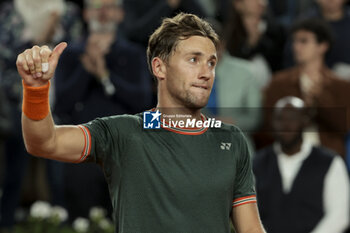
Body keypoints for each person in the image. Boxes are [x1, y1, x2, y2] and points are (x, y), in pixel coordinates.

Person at [16, 13, 266, 233]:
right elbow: (44, 142)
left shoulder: (231, 140)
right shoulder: (124, 131)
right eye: (193, 59)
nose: (206, 72)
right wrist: (36, 90)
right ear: (159, 67)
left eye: (211, 62)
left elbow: (251, 228)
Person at [53, 0, 152, 220]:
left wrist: (104, 75)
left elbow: (143, 102)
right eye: (97, 6)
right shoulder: (69, 54)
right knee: (80, 221)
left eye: (110, 6)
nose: (104, 12)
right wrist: (87, 69)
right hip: (80, 155)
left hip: (125, 155)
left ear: (121, 14)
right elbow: (61, 105)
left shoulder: (136, 54)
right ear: (86, 14)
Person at [0, 0, 82, 230]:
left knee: (59, 174)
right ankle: (5, 223)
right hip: (20, 102)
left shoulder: (67, 12)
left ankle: (64, 224)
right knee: (15, 172)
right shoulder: (10, 11)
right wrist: (39, 39)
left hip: (61, 104)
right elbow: (4, 57)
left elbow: (76, 55)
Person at [254, 96, 350, 233]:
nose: (286, 125)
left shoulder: (330, 162)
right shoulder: (256, 163)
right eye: (280, 119)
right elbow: (247, 214)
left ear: (305, 122)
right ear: (272, 123)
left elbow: (340, 215)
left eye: (292, 118)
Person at [263, 18, 350, 157]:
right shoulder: (279, 83)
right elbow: (268, 124)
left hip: (329, 158)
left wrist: (320, 99)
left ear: (323, 46)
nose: (296, 47)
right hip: (287, 156)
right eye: (295, 41)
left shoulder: (340, 86)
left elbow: (344, 126)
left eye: (304, 41)